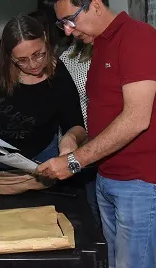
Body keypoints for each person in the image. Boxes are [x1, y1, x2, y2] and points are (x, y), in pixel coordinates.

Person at [39, 0, 156, 268]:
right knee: (115, 261)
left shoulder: (137, 38)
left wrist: (75, 161)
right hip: (109, 174)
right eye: (62, 23)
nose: (67, 31)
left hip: (142, 181)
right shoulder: (100, 44)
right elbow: (106, 115)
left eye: (70, 20)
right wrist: (74, 139)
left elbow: (135, 119)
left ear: (95, 4)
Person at [0, 14, 87, 175]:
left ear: (45, 38)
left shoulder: (59, 75)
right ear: (10, 55)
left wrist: (70, 138)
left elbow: (76, 124)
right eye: (22, 60)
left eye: (38, 54)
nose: (33, 65)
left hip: (41, 157)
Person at [58, 38, 101, 229]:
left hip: (93, 138)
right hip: (71, 135)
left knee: (93, 202)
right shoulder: (70, 52)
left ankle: (96, 241)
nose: (69, 29)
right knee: (79, 202)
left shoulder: (104, 53)